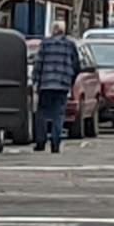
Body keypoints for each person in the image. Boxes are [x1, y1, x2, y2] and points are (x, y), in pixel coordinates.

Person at [30, 21, 83, 152]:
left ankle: (40, 142)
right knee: (58, 115)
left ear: (52, 30)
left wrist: (36, 81)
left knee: (41, 114)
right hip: (62, 84)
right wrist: (70, 80)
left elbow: (38, 64)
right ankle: (55, 143)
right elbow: (76, 65)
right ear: (63, 31)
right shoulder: (70, 45)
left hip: (46, 84)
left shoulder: (45, 44)